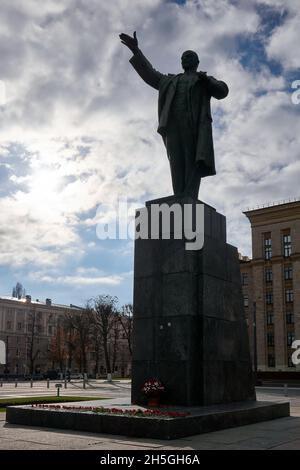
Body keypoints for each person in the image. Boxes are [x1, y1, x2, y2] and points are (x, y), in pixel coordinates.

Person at [119, 31, 229, 199]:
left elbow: (222, 91)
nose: (185, 59)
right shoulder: (170, 81)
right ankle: (179, 195)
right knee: (176, 161)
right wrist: (136, 51)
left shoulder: (203, 80)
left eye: (190, 56)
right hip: (172, 125)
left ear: (197, 62)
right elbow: (150, 74)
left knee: (193, 160)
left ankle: (190, 195)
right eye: (183, 57)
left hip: (194, 126)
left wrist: (207, 79)